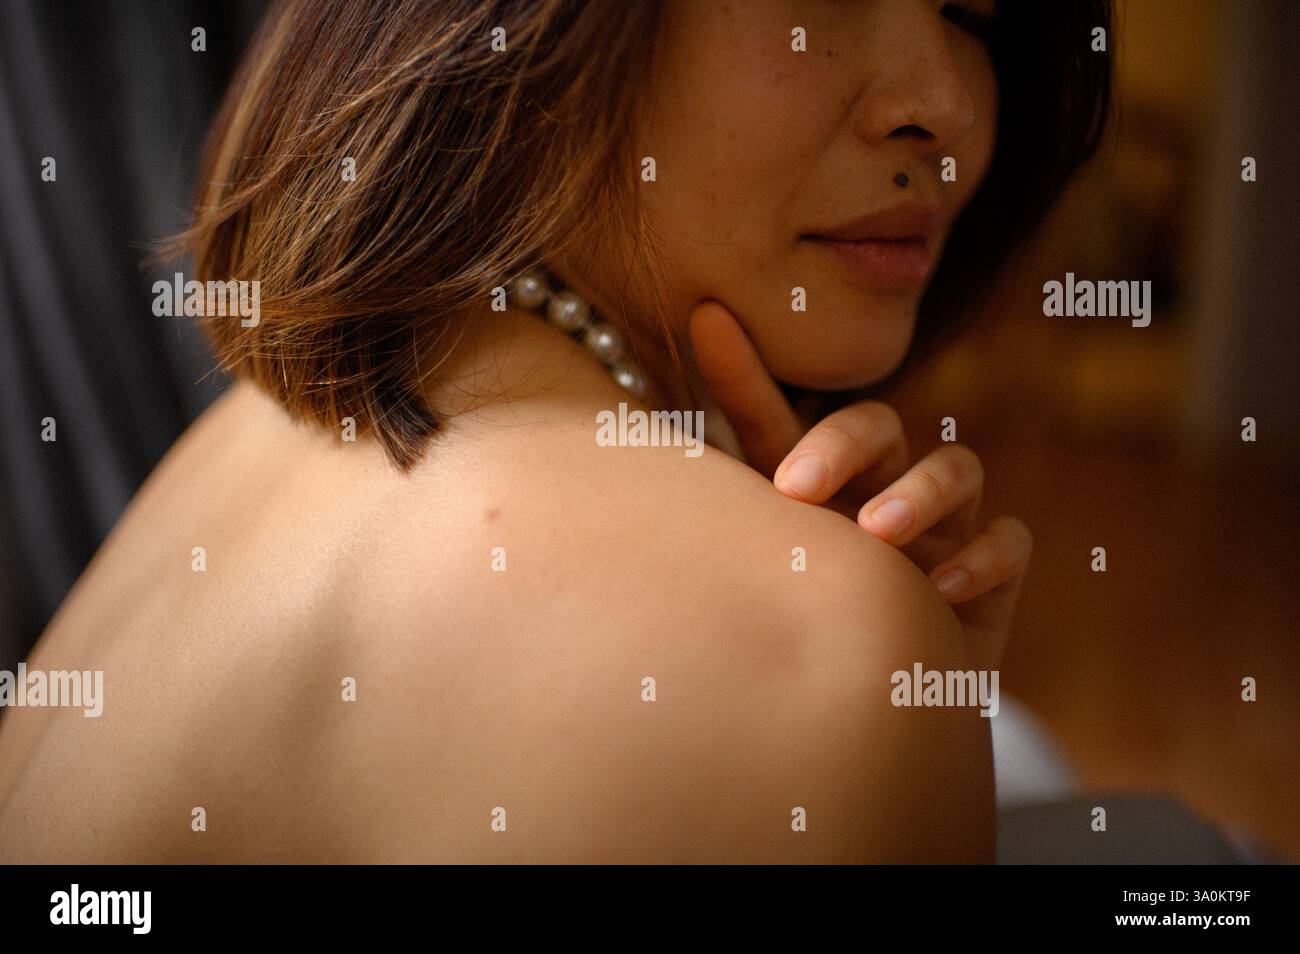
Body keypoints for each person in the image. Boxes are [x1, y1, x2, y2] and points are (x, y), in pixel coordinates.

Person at [0, 0, 1109, 862]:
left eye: (972, 17)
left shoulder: (271, 423)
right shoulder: (808, 653)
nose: (944, 107)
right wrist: (865, 684)